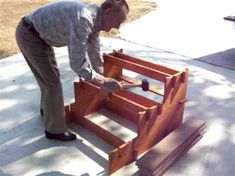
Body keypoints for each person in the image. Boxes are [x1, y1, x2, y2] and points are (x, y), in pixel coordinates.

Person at [15, 0, 129, 141]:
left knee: (52, 77)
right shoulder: (84, 18)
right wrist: (102, 81)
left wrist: (102, 80)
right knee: (52, 83)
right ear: (108, 12)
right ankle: (55, 131)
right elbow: (77, 63)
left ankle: (48, 110)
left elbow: (94, 52)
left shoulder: (95, 21)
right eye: (119, 21)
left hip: (41, 37)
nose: (118, 26)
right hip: (30, 35)